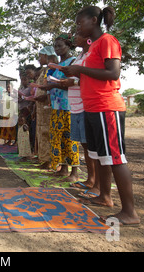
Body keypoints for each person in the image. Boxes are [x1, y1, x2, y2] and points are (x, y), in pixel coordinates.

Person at [62, 5, 140, 226]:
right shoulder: (92, 46)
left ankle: (130, 213)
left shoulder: (107, 41)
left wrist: (80, 71)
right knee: (101, 156)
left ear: (94, 20)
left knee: (115, 157)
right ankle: (104, 196)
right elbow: (90, 75)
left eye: (80, 23)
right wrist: (75, 74)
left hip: (107, 106)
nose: (78, 27)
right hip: (92, 107)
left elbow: (113, 73)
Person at [62, 33, 97, 195]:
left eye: (78, 34)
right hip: (75, 106)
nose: (75, 37)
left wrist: (74, 81)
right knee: (85, 145)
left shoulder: (92, 54)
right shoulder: (80, 56)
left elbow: (93, 78)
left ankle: (95, 180)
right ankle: (90, 178)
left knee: (91, 145)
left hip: (86, 105)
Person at [46, 34, 80, 181]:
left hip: (68, 106)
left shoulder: (73, 61)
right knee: (58, 138)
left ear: (69, 46)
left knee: (70, 139)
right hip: (56, 106)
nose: (57, 49)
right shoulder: (56, 66)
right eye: (55, 46)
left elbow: (74, 83)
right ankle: (63, 168)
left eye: (60, 46)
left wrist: (55, 84)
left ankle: (75, 172)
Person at [29, 46, 56, 168]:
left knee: (47, 133)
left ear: (46, 56)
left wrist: (43, 97)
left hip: (48, 107)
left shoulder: (52, 69)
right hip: (40, 108)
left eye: (40, 56)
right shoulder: (44, 71)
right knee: (42, 133)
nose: (39, 59)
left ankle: (50, 161)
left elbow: (49, 87)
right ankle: (44, 159)